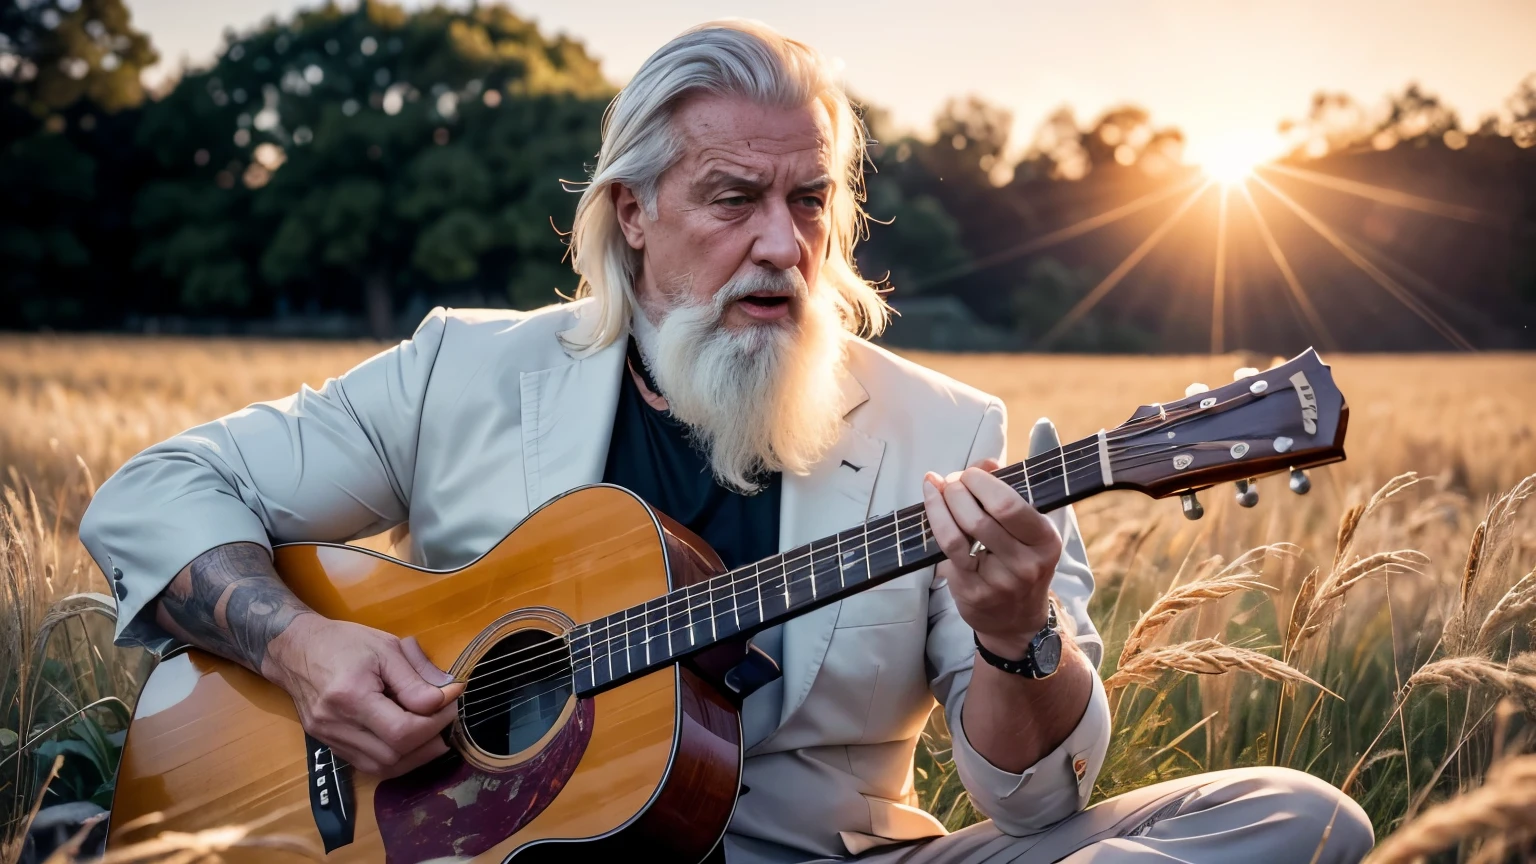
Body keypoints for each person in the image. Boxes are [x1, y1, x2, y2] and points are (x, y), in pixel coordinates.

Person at [80, 19, 1373, 864]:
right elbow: (153, 493)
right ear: (632, 211)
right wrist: (302, 648)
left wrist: (1015, 634)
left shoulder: (949, 434)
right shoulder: (464, 372)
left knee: (1301, 824)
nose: (781, 243)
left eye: (812, 201)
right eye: (734, 197)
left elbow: (1036, 812)